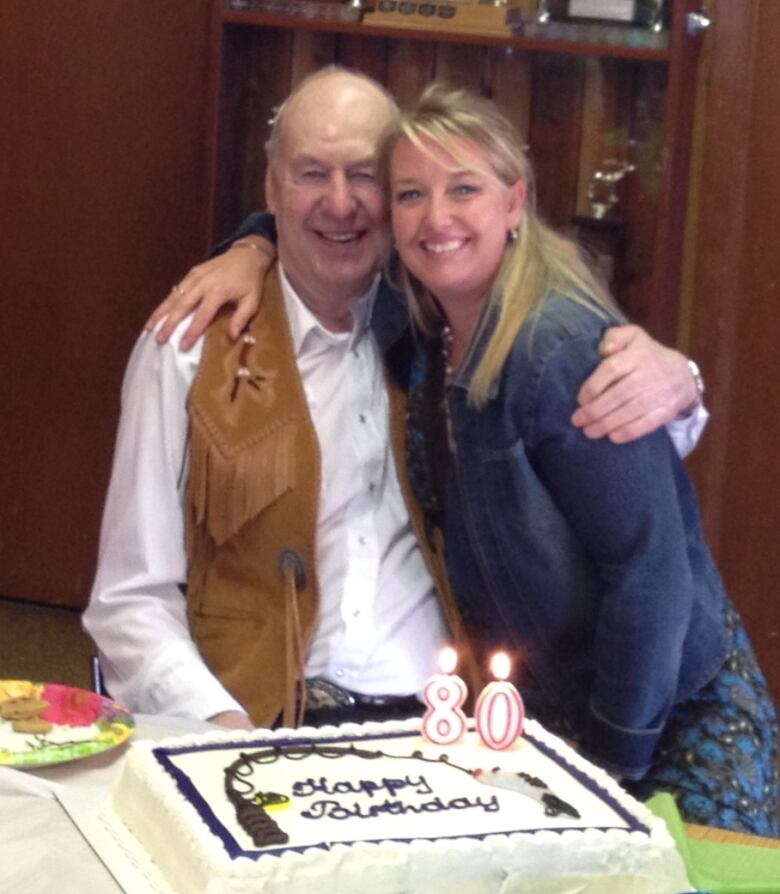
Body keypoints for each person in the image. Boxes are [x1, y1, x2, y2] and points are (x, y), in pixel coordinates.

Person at [371, 82, 777, 836]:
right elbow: (311, 239)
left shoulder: (556, 348)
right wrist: (251, 243)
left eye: (464, 189)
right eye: (410, 195)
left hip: (670, 725)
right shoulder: (429, 327)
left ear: (514, 202)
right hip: (558, 718)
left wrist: (605, 770)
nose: (436, 219)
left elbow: (651, 571)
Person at [84, 68, 477, 733]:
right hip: (257, 728)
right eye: (312, 174)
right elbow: (129, 600)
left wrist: (674, 376)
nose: (341, 203)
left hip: (438, 731)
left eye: (364, 175)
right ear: (271, 188)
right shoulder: (187, 347)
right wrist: (218, 724)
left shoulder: (446, 332)